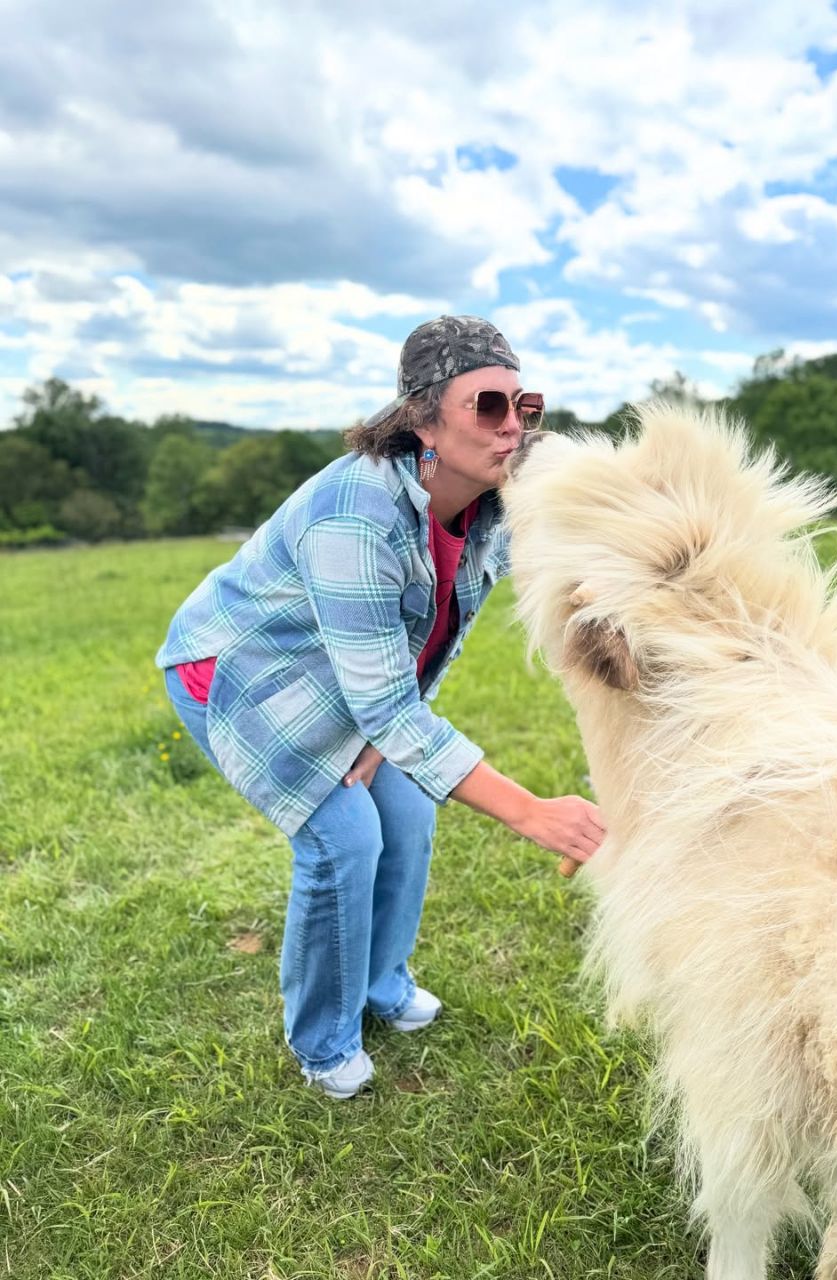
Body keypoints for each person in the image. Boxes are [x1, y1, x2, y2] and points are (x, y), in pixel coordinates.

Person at [156, 315, 606, 1099]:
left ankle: (381, 984)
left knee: (410, 813)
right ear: (422, 417)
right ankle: (323, 1040)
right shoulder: (355, 514)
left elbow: (436, 639)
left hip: (350, 671)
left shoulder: (488, 508)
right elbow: (392, 709)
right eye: (488, 407)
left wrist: (384, 725)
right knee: (343, 839)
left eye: (523, 406)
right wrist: (532, 811)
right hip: (241, 667)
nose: (514, 428)